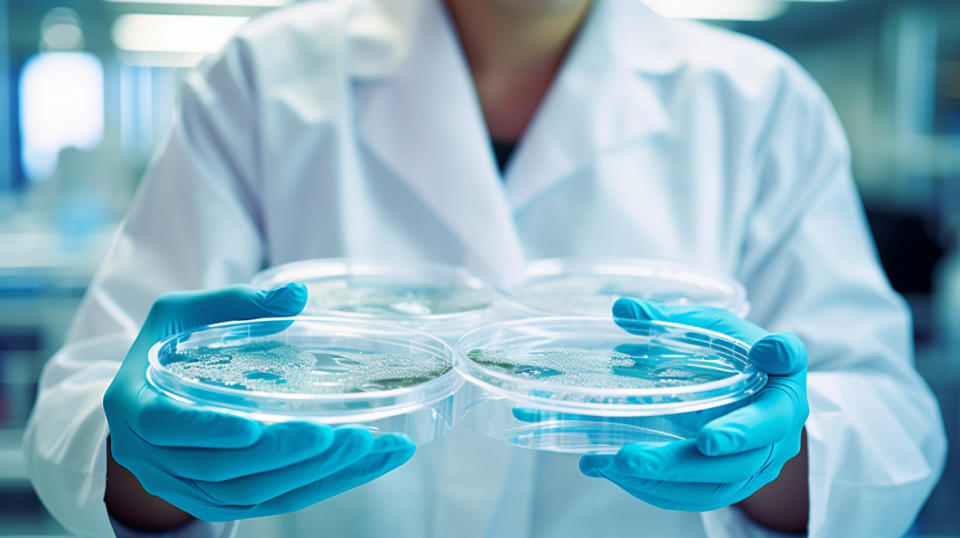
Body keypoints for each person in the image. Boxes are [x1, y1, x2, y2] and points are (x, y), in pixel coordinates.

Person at [23, 0, 946, 536]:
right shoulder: (261, 81)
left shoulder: (759, 101)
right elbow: (87, 402)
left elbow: (888, 417)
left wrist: (774, 455)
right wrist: (153, 466)